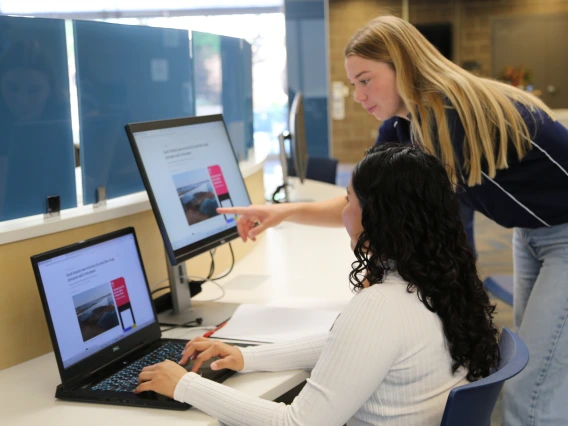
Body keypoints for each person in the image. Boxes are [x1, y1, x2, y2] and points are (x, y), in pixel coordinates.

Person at [218, 15, 568, 426]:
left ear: (403, 65)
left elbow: (447, 225)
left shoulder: (452, 117)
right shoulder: (402, 127)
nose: (358, 95)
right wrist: (282, 212)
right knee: (536, 364)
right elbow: (366, 204)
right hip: (531, 231)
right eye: (353, 85)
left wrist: (383, 285)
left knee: (533, 390)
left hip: (564, 232)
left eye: (366, 80)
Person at [135, 144, 500, 426]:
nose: (342, 211)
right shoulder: (438, 282)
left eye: (348, 200)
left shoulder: (381, 305)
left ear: (379, 219)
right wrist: (248, 357)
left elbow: (300, 422)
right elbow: (348, 346)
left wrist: (185, 385)